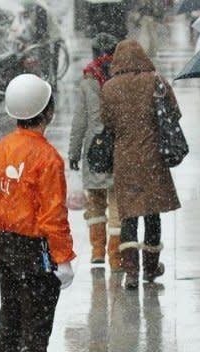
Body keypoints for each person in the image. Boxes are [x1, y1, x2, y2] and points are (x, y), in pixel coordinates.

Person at [0, 74, 75, 352]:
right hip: (35, 251)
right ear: (48, 112)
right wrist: (63, 259)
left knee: (9, 324)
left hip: (5, 246)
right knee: (34, 328)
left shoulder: (0, 149)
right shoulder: (47, 158)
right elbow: (53, 215)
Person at [101, 40, 181, 290]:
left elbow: (107, 123)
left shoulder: (110, 88)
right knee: (152, 212)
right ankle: (150, 266)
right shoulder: (156, 82)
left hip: (125, 159)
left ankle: (131, 272)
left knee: (128, 215)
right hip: (153, 157)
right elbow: (174, 113)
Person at [68, 33, 121, 270]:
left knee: (96, 203)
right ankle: (115, 256)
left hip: (94, 150)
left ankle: (97, 251)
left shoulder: (88, 80)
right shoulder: (122, 77)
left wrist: (73, 153)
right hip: (117, 147)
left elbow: (79, 121)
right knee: (117, 205)